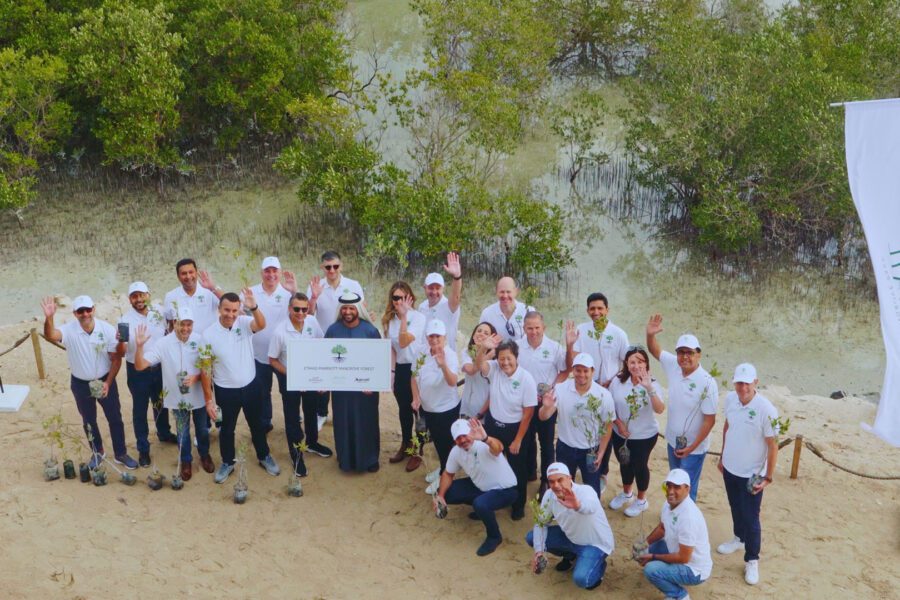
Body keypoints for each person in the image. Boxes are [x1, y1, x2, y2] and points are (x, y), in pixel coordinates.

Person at [41, 295, 137, 469]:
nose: (85, 314)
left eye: (87, 310)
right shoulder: (69, 330)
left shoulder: (106, 329)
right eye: (80, 311)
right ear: (75, 313)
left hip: (104, 379)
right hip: (80, 383)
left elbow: (116, 359)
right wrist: (49, 317)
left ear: (93, 309)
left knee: (115, 418)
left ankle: (121, 453)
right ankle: (97, 452)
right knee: (88, 420)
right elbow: (50, 335)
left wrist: (108, 382)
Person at [200, 290, 280, 483]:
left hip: (251, 386)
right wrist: (209, 400)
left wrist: (253, 307)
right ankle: (228, 462)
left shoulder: (244, 323)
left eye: (235, 310)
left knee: (257, 425)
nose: (231, 314)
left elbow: (261, 324)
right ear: (219, 309)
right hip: (225, 391)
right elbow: (205, 369)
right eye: (227, 310)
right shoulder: (208, 334)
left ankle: (264, 456)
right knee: (226, 429)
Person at [133, 308, 215, 480]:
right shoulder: (163, 343)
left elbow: (209, 368)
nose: (185, 328)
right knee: (182, 431)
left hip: (198, 395)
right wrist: (139, 347)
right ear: (173, 323)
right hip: (177, 399)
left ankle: (205, 455)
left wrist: (196, 377)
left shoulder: (201, 340)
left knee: (202, 429)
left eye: (189, 324)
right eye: (181, 324)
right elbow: (140, 366)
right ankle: (186, 461)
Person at [716, 363, 778, 586]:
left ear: (755, 383)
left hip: (751, 474)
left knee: (752, 518)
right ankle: (738, 538)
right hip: (730, 467)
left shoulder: (767, 410)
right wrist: (722, 456)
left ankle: (752, 558)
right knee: (734, 506)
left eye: (747, 383)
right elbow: (727, 427)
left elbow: (772, 445)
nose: (742, 387)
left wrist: (768, 477)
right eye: (739, 383)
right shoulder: (731, 400)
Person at [646, 315, 718, 501]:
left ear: (698, 354)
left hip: (694, 448)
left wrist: (692, 447)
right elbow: (656, 351)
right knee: (674, 480)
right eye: (681, 352)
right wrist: (650, 335)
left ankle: (685, 521)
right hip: (672, 442)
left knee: (686, 488)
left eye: (690, 352)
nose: (685, 356)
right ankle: (674, 513)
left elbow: (710, 421)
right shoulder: (674, 366)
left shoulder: (708, 382)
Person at [268, 292, 332, 478]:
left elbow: (321, 345)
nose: (301, 313)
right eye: (297, 309)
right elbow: (272, 360)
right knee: (292, 417)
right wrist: (293, 374)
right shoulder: (280, 332)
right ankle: (296, 454)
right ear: (289, 309)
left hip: (310, 377)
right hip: (289, 378)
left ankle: (312, 442)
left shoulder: (312, 322)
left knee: (311, 411)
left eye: (304, 309)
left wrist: (321, 376)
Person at [433, 418, 518, 557]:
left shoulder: (483, 444)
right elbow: (448, 474)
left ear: (471, 433)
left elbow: (499, 448)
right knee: (447, 492)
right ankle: (483, 511)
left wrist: (485, 438)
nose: (462, 440)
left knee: (481, 504)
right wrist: (440, 496)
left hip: (505, 490)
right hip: (480, 486)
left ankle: (494, 537)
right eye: (458, 438)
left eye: (465, 435)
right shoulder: (456, 451)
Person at [475, 334, 537, 520]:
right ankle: (489, 502)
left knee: (517, 469)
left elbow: (528, 413)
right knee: (490, 463)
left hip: (515, 429)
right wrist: (482, 349)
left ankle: (518, 505)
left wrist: (518, 439)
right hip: (494, 425)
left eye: (508, 358)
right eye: (501, 358)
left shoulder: (526, 379)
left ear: (516, 357)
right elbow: (480, 364)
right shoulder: (494, 369)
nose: (505, 362)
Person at [526, 463, 615, 590]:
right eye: (551, 482)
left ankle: (599, 565)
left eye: (560, 480)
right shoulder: (549, 495)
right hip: (571, 537)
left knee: (583, 580)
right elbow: (541, 523)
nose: (556, 485)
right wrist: (539, 552)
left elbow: (591, 507)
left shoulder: (586, 491)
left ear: (570, 478)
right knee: (532, 538)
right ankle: (571, 556)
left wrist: (577, 506)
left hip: (595, 544)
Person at [117, 281, 176, 468]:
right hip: (137, 371)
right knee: (140, 410)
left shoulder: (159, 311)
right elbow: (122, 350)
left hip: (159, 367)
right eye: (134, 296)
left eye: (142, 295)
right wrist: (121, 342)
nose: (139, 299)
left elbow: (174, 321)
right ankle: (143, 448)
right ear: (130, 299)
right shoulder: (125, 320)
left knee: (161, 403)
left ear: (148, 295)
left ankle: (164, 433)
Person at [539, 353, 614, 497]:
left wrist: (602, 452)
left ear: (592, 371)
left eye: (586, 371)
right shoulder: (560, 389)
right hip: (565, 447)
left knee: (592, 491)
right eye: (578, 370)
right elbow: (543, 417)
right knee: (564, 489)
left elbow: (607, 425)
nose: (582, 374)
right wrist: (546, 407)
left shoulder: (604, 395)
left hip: (590, 450)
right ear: (573, 371)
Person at [518, 312, 576, 497]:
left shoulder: (554, 347)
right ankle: (529, 472)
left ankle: (546, 480)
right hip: (525, 403)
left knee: (546, 443)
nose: (533, 332)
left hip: (547, 403)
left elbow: (566, 370)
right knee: (526, 439)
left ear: (544, 328)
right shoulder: (518, 347)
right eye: (529, 328)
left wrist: (552, 389)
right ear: (524, 328)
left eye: (537, 328)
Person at [307, 251, 365, 431]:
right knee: (324, 379)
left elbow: (361, 310)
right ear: (322, 268)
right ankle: (322, 414)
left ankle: (346, 414)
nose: (332, 270)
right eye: (327, 267)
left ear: (341, 265)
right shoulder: (316, 286)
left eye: (335, 266)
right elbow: (309, 315)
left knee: (346, 378)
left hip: (348, 338)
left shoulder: (353, 285)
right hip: (324, 338)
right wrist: (314, 297)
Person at [324, 292, 382, 473]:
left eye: (351, 308)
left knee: (367, 422)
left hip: (366, 391)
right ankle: (346, 459)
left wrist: (373, 384)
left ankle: (370, 459)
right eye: (344, 308)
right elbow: (325, 359)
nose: (347, 311)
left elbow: (379, 361)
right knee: (343, 422)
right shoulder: (332, 330)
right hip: (342, 390)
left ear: (358, 309)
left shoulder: (371, 331)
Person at [636, 469, 712, 600]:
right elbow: (662, 528)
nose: (671, 491)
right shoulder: (669, 503)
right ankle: (667, 574)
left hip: (694, 569)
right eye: (668, 486)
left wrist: (653, 557)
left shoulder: (689, 518)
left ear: (687, 489)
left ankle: (679, 595)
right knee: (644, 550)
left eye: (677, 487)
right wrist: (644, 544)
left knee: (650, 570)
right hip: (678, 551)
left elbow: (684, 558)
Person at [608, 346, 665, 517]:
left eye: (640, 361)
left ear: (646, 364)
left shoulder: (652, 383)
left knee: (639, 465)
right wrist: (619, 423)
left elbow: (660, 409)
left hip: (644, 435)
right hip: (620, 433)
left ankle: (641, 500)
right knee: (624, 463)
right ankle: (627, 493)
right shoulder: (617, 381)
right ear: (626, 363)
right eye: (632, 361)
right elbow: (610, 406)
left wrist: (649, 388)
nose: (636, 365)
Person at [382, 281, 427, 472]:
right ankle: (406, 444)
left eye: (403, 297)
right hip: (401, 367)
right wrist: (391, 373)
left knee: (418, 410)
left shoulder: (418, 318)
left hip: (417, 368)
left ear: (410, 297)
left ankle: (418, 449)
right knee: (403, 410)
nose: (399, 301)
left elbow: (404, 340)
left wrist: (404, 317)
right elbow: (392, 348)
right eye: (395, 298)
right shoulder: (388, 320)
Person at [411, 319, 461, 494]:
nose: (434, 340)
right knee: (438, 443)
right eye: (431, 336)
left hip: (446, 409)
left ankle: (445, 476)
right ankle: (443, 468)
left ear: (444, 337)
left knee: (447, 444)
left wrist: (443, 365)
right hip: (429, 408)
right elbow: (413, 376)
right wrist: (416, 398)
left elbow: (452, 381)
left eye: (437, 336)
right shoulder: (421, 353)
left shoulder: (451, 355)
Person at [573, 292, 629, 387]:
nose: (596, 312)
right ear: (587, 311)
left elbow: (628, 363)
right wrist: (569, 344)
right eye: (592, 309)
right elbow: (574, 359)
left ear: (607, 310)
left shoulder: (619, 334)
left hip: (611, 386)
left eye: (600, 308)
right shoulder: (580, 330)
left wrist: (614, 381)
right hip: (586, 386)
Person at [163, 258, 221, 334]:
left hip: (209, 342)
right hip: (184, 344)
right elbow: (170, 324)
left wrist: (212, 288)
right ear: (178, 276)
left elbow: (231, 303)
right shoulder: (170, 296)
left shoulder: (211, 290)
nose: (188, 276)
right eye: (184, 273)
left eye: (191, 272)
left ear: (196, 272)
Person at [417, 252, 462, 350]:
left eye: (438, 288)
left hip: (446, 360)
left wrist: (457, 276)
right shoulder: (421, 307)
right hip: (425, 359)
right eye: (431, 288)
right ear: (425, 288)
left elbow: (455, 295)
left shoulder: (450, 306)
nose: (434, 292)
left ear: (443, 289)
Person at [459, 322, 496, 420]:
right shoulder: (466, 352)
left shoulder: (495, 359)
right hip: (466, 407)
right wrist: (486, 354)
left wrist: (486, 352)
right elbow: (470, 370)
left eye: (486, 333)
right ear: (473, 335)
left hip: (485, 410)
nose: (481, 334)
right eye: (479, 331)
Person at [478, 276, 533, 341]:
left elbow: (538, 338)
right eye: (502, 292)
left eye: (508, 292)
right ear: (496, 292)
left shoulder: (528, 311)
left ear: (516, 292)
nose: (505, 296)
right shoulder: (487, 314)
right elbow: (480, 340)